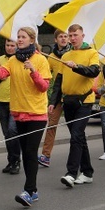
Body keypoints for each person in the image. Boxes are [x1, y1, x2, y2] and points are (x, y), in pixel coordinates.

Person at [0, 27, 51, 207]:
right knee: (27, 153)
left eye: (23, 37)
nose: (19, 40)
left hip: (36, 114)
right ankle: (33, 190)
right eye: (18, 37)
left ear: (31, 39)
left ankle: (29, 191)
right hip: (18, 112)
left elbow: (44, 87)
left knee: (30, 152)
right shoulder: (13, 60)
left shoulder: (40, 59)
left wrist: (33, 71)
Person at [50, 24, 100, 188]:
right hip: (68, 101)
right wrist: (53, 102)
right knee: (79, 138)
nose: (72, 38)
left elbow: (94, 71)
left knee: (76, 136)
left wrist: (77, 67)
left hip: (85, 101)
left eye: (75, 35)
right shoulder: (65, 56)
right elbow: (59, 81)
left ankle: (71, 173)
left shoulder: (91, 52)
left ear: (82, 35)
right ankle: (87, 172)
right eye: (70, 35)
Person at [38, 29, 70, 167]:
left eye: (65, 36)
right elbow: (46, 74)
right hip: (57, 96)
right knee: (51, 125)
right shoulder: (51, 56)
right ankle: (46, 155)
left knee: (75, 127)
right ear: (55, 40)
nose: (63, 39)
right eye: (60, 37)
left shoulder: (73, 53)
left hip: (72, 95)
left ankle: (79, 154)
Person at [0, 39, 20, 175]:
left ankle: (16, 161)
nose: (9, 48)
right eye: (7, 45)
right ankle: (11, 161)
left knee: (13, 132)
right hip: (1, 101)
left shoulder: (19, 60)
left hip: (16, 101)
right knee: (6, 133)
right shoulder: (0, 59)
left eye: (12, 45)